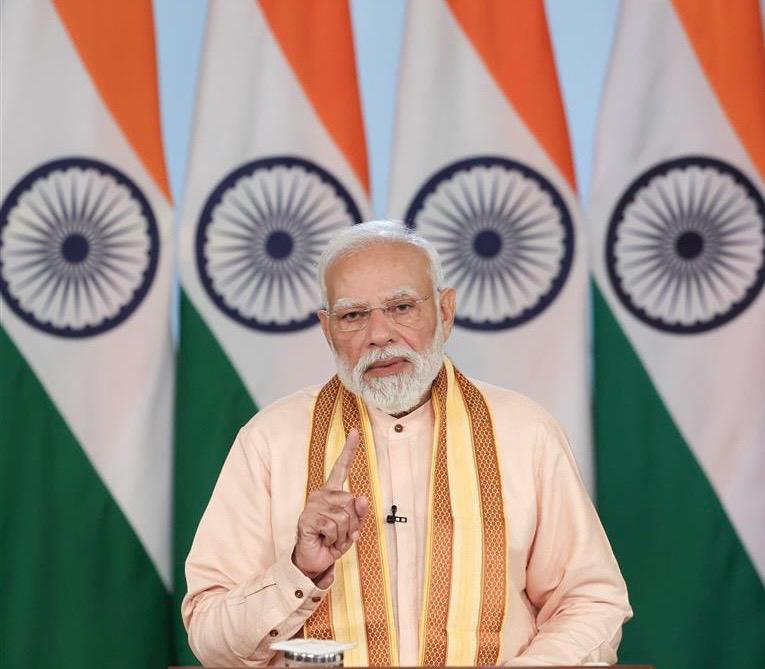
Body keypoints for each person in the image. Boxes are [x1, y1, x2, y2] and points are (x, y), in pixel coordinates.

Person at [182, 220, 632, 667]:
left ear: (445, 311)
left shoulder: (525, 432)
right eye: (353, 315)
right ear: (327, 328)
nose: (379, 335)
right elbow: (209, 636)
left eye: (401, 307)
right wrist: (299, 569)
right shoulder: (270, 440)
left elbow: (591, 603)